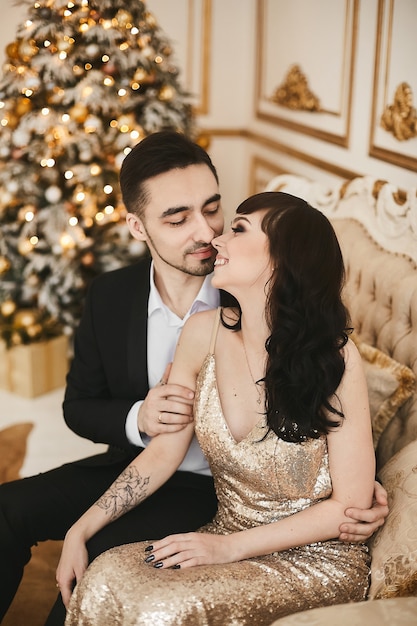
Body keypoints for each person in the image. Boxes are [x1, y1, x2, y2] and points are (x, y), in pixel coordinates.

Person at [0, 132, 387, 626]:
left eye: (216, 211)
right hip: (156, 471)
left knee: (107, 565)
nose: (209, 234)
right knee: (13, 513)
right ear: (138, 227)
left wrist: (360, 492)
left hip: (229, 508)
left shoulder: (313, 340)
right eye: (178, 218)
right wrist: (138, 420)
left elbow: (343, 483)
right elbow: (89, 411)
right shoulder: (137, 305)